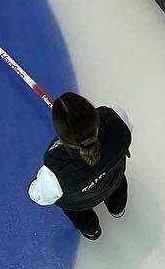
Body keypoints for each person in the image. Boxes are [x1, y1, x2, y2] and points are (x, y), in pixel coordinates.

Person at [28, 92, 132, 241]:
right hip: (114, 180)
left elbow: (39, 195)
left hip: (81, 203)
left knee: (78, 213)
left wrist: (35, 187)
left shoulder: (54, 172)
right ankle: (118, 209)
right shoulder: (117, 119)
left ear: (62, 138)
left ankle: (93, 230)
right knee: (118, 189)